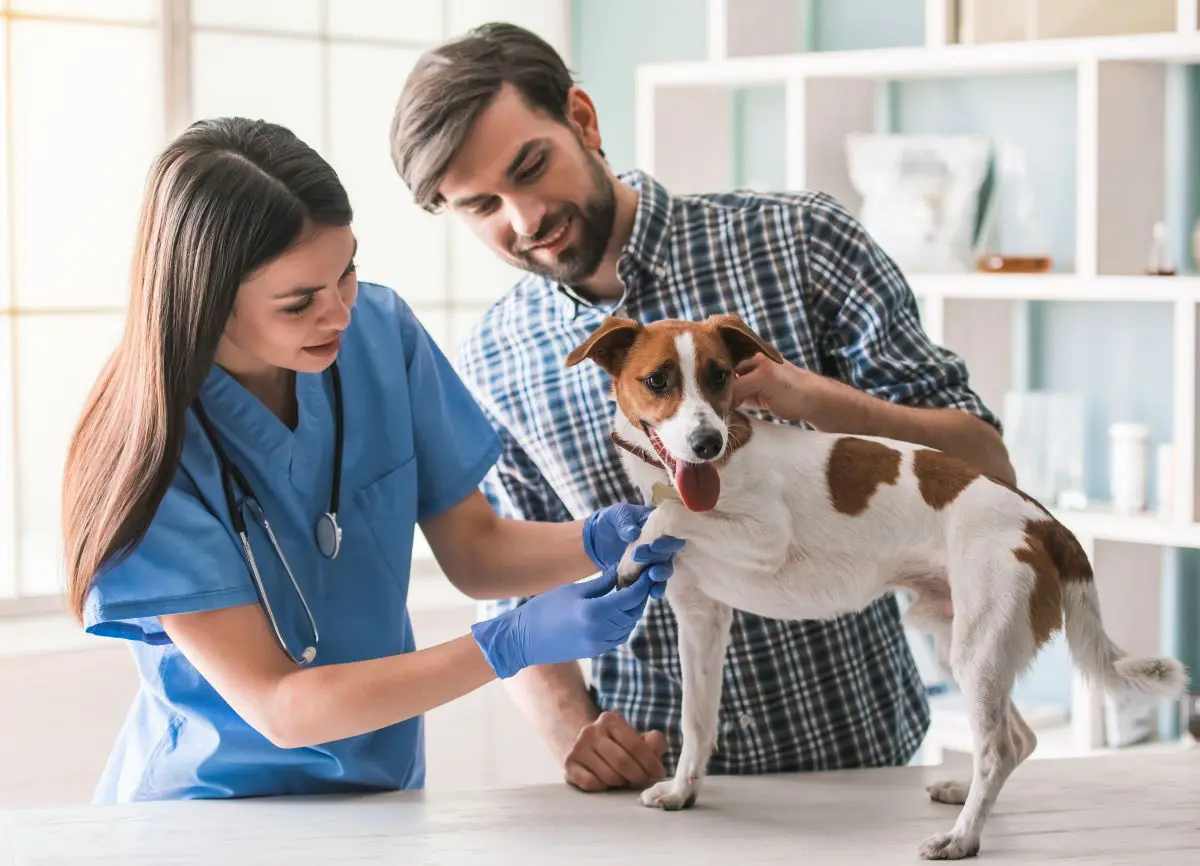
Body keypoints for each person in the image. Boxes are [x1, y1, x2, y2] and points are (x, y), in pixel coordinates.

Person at [389, 22, 1017, 793]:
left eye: (531, 167)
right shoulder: (494, 360)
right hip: (657, 783)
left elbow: (986, 465)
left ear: (582, 120)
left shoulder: (799, 242)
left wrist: (813, 401)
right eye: (481, 204)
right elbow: (513, 583)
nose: (523, 221)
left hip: (861, 764)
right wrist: (574, 731)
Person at [60, 116, 685, 803]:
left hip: (380, 794)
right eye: (299, 302)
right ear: (206, 302)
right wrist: (507, 643)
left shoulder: (383, 336)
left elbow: (476, 554)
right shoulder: (149, 441)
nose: (339, 314)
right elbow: (281, 705)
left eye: (347, 271)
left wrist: (610, 538)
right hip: (208, 810)